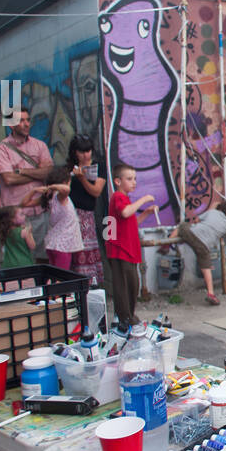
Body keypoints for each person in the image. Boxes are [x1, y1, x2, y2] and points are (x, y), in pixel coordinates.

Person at [0, 109, 53, 259]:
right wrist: (36, 172)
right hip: (15, 215)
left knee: (42, 257)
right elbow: (9, 179)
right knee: (18, 259)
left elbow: (47, 173)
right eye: (21, 121)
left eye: (27, 120)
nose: (26, 124)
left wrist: (20, 171)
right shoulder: (1, 149)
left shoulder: (39, 146)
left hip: (38, 211)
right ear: (11, 125)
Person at [104, 163, 154, 328]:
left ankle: (128, 316)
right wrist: (144, 199)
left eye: (135, 179)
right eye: (129, 179)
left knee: (132, 284)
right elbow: (126, 212)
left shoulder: (124, 199)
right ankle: (126, 318)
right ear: (118, 181)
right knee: (126, 285)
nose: (134, 182)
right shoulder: (118, 197)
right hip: (121, 250)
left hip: (128, 250)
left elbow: (131, 221)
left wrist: (147, 212)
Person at [175, 200, 226, 305]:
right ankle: (211, 293)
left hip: (193, 234)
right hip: (204, 246)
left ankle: (168, 244)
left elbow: (196, 220)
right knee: (206, 268)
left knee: (181, 227)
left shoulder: (212, 212)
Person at [24, 167, 82, 272]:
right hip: (61, 245)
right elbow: (66, 189)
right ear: (65, 182)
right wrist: (46, 188)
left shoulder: (51, 196)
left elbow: (25, 203)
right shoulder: (60, 197)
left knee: (55, 274)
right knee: (61, 276)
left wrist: (36, 191)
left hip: (55, 243)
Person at [66, 135, 105, 286]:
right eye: (81, 152)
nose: (85, 155)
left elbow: (96, 191)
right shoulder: (69, 168)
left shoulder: (98, 166)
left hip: (87, 215)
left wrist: (82, 178)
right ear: (75, 152)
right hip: (70, 214)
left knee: (87, 249)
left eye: (88, 151)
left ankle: (91, 283)